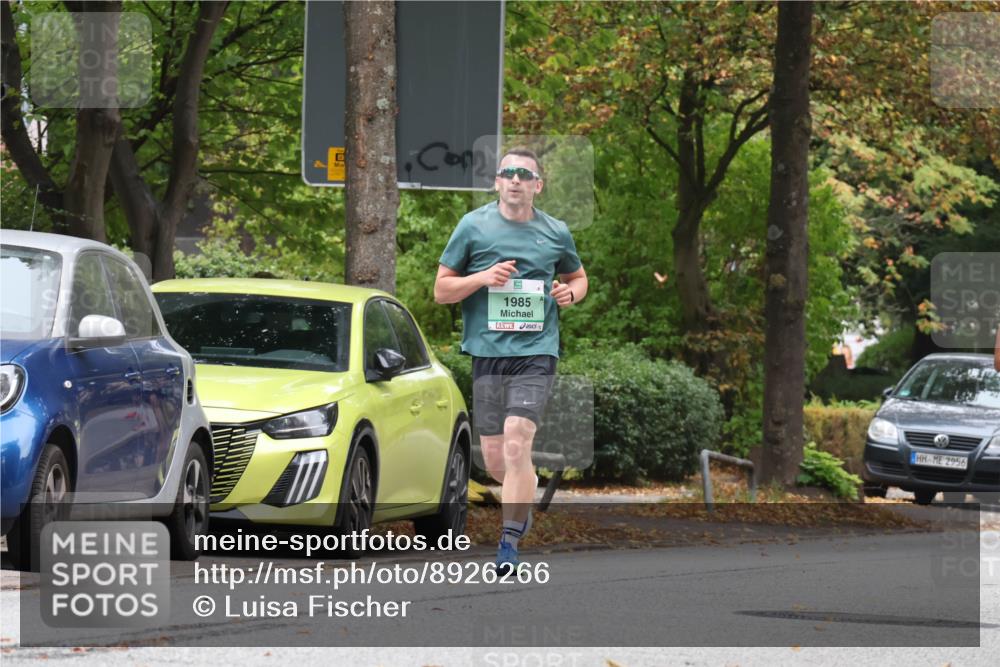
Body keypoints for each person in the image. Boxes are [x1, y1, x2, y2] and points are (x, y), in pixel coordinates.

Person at [434, 147, 588, 573]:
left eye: (525, 174)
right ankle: (523, 497)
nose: (516, 180)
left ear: (537, 185)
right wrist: (483, 277)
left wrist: (570, 293)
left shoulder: (555, 232)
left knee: (519, 439)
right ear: (497, 182)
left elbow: (578, 276)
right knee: (499, 460)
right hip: (487, 354)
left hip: (537, 352)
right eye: (508, 173)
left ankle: (508, 544)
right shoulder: (472, 227)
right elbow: (441, 290)